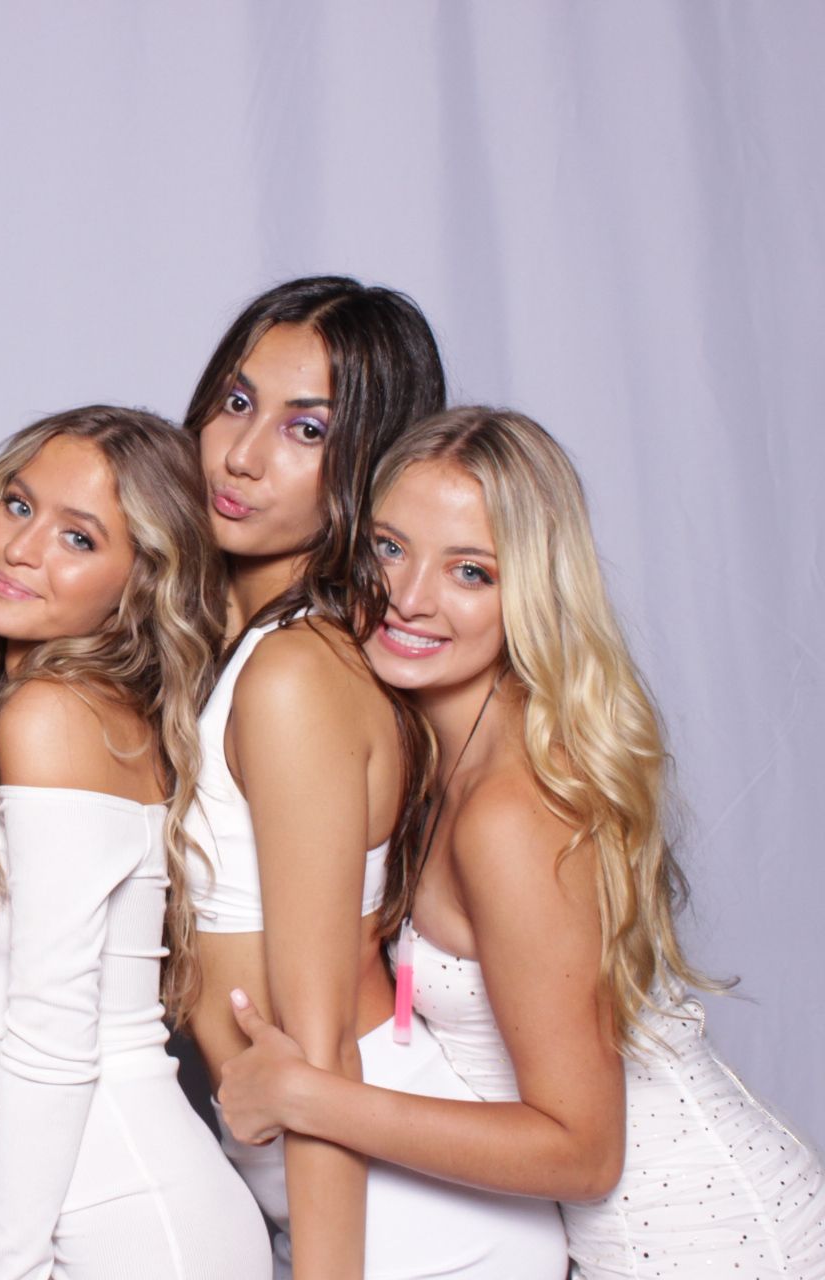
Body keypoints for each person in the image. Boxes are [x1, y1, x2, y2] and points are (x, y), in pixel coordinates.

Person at [217, 405, 825, 1278]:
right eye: (390, 548)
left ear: (533, 590)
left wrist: (313, 1097)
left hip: (706, 1236)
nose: (412, 596)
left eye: (471, 571)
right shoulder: (437, 752)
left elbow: (583, 1153)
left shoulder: (511, 810)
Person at [178, 278, 567, 1278]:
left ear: (367, 459)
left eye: (305, 428)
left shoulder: (298, 672)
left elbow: (317, 1042)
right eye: (235, 401)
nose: (243, 453)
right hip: (331, 1195)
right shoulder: (263, 654)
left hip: (400, 1223)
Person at [0, 404, 269, 1280]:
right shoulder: (78, 714)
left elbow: (49, 1026)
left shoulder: (54, 717)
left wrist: (9, 1267)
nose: (19, 547)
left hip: (127, 1219)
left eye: (78, 539)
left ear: (140, 581)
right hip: (96, 1196)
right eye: (17, 504)